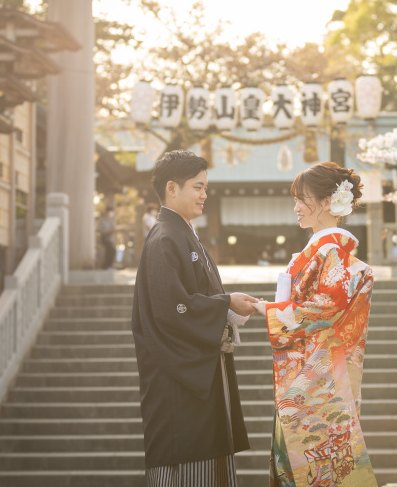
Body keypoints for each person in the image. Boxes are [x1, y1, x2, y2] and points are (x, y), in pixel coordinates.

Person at [131, 150, 258, 486]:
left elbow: (191, 300)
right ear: (172, 188)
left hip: (197, 371)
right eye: (198, 187)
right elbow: (172, 308)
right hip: (180, 380)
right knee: (188, 464)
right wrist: (225, 303)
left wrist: (226, 305)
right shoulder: (165, 238)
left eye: (206, 187)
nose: (204, 194)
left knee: (206, 457)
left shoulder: (182, 234)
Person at [253, 162, 377, 487]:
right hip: (309, 372)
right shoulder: (319, 252)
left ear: (326, 202)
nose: (295, 207)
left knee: (310, 465)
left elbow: (328, 307)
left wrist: (273, 309)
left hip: (316, 377)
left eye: (302, 199)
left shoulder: (330, 252)